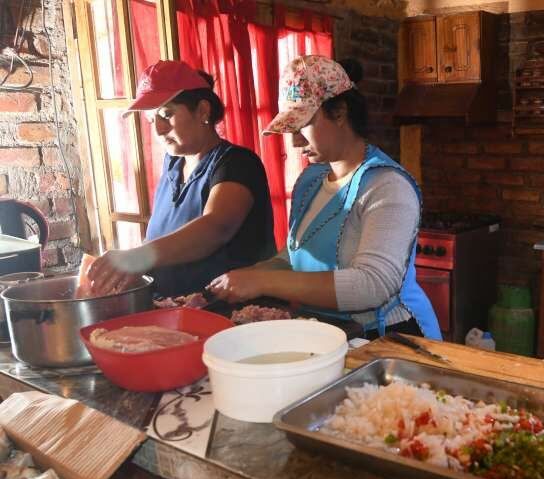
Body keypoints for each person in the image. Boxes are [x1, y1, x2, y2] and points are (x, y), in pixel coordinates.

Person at [207, 55, 440, 340]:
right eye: (290, 130)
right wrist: (248, 274)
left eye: (302, 126)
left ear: (340, 113)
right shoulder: (311, 180)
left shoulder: (386, 186)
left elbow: (373, 285)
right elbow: (293, 254)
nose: (294, 142)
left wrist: (262, 280)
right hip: (326, 333)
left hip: (388, 337)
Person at [87, 60, 276, 297]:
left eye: (166, 114)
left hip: (228, 312)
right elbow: (162, 238)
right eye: (151, 120)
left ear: (203, 111)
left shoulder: (237, 163)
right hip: (174, 309)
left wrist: (138, 257)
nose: (158, 129)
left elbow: (215, 228)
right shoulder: (173, 165)